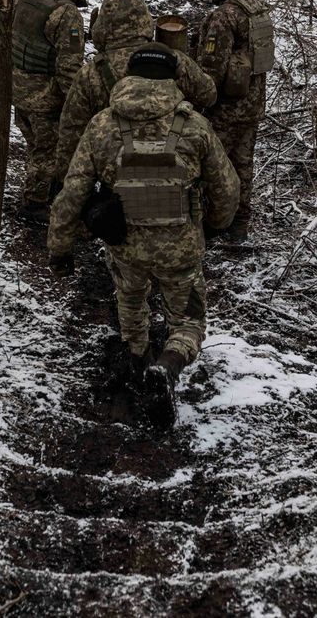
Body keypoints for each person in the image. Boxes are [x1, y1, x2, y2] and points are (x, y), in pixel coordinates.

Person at [47, 47, 239, 428]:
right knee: (188, 321)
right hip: (180, 248)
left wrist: (60, 247)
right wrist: (216, 225)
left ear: (128, 78)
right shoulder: (196, 126)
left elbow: (73, 192)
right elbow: (227, 189)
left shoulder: (102, 125)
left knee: (131, 301)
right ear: (171, 79)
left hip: (125, 246)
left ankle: (138, 361)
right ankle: (167, 367)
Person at [55, 0, 216, 184]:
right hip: (175, 171)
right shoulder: (173, 60)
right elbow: (209, 95)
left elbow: (71, 134)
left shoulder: (90, 74)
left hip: (115, 176)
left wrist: (65, 183)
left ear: (103, 26)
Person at [191, 0, 275, 243]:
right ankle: (239, 223)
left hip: (225, 108)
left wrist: (196, 99)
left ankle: (212, 222)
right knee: (243, 163)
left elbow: (211, 69)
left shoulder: (223, 16)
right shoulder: (257, 10)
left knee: (213, 166)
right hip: (252, 104)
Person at [10, 0, 93, 223]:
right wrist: (79, 104)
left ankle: (39, 193)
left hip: (18, 89)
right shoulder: (66, 14)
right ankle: (35, 205)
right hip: (45, 98)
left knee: (35, 145)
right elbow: (68, 68)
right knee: (46, 153)